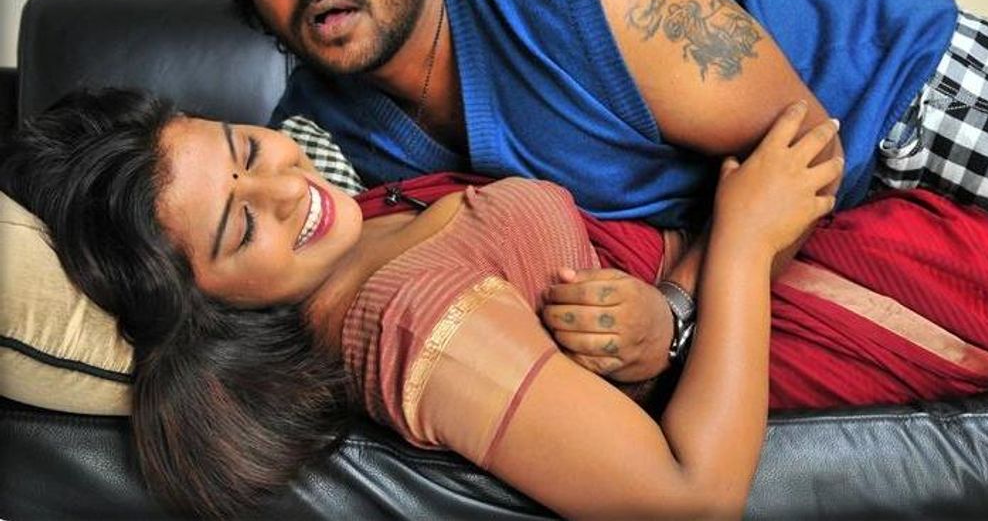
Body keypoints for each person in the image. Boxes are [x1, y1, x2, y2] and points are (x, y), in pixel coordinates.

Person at [176, 0, 988, 380]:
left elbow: (807, 146)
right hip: (828, 218)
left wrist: (674, 312)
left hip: (913, 90)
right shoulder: (317, 127)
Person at [0, 88, 843, 519]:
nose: (287, 191)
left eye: (248, 151)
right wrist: (743, 240)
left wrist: (685, 293)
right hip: (819, 327)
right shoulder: (412, 319)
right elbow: (693, 502)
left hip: (773, 257)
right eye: (241, 225)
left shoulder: (355, 227)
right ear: (204, 303)